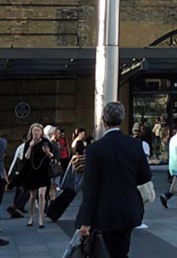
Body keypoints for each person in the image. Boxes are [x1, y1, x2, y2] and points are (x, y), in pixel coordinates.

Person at [75, 102, 152, 258]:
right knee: (122, 251)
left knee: (104, 252)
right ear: (122, 120)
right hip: (128, 210)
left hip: (104, 213)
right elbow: (145, 175)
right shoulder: (136, 145)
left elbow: (90, 188)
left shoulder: (95, 149)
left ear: (104, 120)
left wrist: (85, 220)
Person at [18, 123, 54, 228]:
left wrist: (47, 152)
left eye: (38, 130)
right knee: (33, 196)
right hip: (32, 172)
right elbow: (26, 158)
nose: (36, 132)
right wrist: (30, 146)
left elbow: (52, 155)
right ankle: (31, 217)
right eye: (34, 130)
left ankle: (41, 218)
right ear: (31, 132)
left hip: (43, 172)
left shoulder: (46, 142)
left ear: (42, 132)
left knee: (42, 195)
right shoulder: (28, 143)